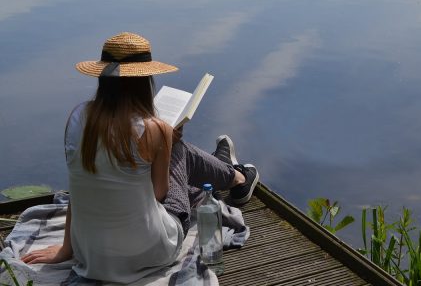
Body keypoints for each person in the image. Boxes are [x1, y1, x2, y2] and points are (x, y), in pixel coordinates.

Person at [19, 32, 259, 283]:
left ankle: (227, 172)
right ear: (145, 80)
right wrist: (166, 143)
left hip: (91, 254)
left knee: (173, 155)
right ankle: (236, 177)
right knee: (180, 152)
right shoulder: (154, 128)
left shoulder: (77, 118)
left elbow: (78, 189)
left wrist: (67, 249)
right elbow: (159, 195)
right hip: (152, 251)